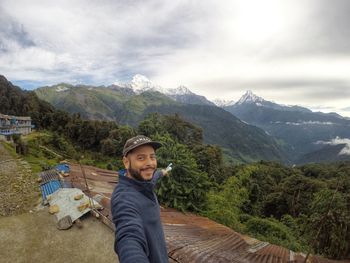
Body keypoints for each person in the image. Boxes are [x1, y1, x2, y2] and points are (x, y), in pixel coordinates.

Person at [111, 135, 170, 263]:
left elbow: (155, 176)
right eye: (141, 158)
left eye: (152, 157)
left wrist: (163, 172)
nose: (149, 163)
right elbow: (128, 237)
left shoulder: (145, 182)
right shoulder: (124, 197)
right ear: (127, 162)